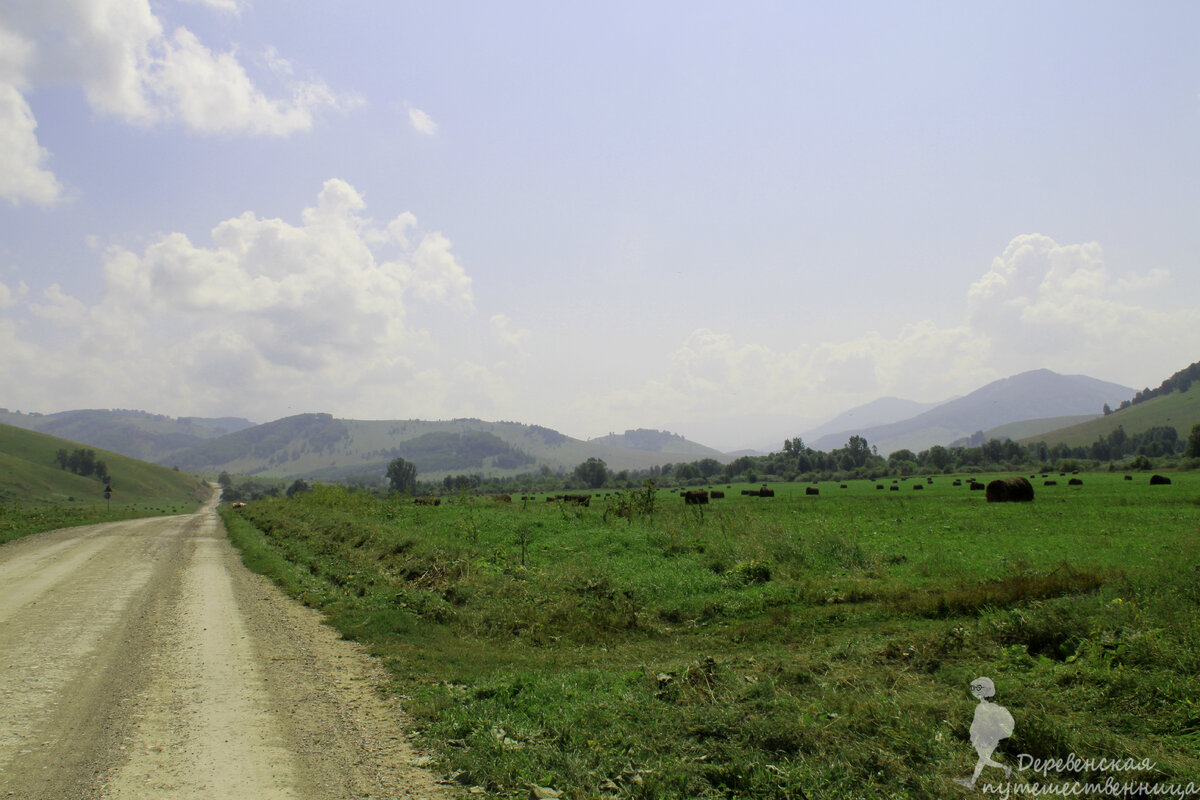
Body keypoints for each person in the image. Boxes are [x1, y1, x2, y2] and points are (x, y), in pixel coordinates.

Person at [955, 676, 1013, 789]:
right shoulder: (991, 707)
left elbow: (977, 723)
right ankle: (972, 781)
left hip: (986, 737)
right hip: (991, 737)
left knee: (984, 759)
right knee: (982, 760)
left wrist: (974, 735)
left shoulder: (981, 708)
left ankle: (1004, 768)